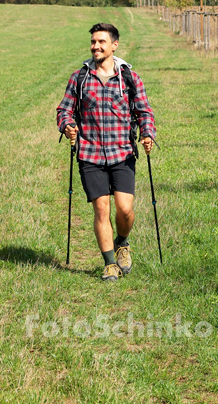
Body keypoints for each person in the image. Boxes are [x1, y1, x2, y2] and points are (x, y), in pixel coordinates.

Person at [56, 23, 156, 282]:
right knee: (101, 209)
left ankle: (122, 242)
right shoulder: (80, 78)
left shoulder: (130, 78)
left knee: (124, 209)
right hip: (90, 154)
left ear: (114, 45)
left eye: (101, 42)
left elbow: (144, 112)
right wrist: (67, 125)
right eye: (93, 42)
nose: (96, 46)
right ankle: (110, 263)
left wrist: (147, 133)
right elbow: (64, 110)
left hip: (122, 153)